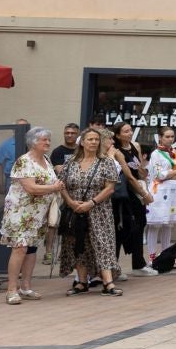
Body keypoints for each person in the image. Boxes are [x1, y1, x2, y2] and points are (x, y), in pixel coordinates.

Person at [0, 127, 64, 304]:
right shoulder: (24, 161)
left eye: (49, 140)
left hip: (38, 214)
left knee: (32, 249)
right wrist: (54, 188)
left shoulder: (47, 159)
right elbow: (31, 188)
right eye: (44, 140)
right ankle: (11, 289)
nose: (48, 143)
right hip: (21, 212)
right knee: (20, 248)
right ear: (33, 142)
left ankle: (26, 286)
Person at [59, 126, 122, 295]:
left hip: (99, 212)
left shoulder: (106, 162)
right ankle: (81, 281)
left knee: (103, 244)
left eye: (96, 139)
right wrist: (71, 202)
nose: (94, 142)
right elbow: (61, 185)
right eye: (90, 139)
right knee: (78, 244)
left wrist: (92, 203)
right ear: (82, 143)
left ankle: (108, 283)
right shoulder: (71, 162)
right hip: (75, 211)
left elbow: (110, 188)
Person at [142, 126, 176, 271]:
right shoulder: (156, 154)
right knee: (155, 223)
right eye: (167, 136)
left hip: (173, 191)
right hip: (159, 191)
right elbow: (159, 175)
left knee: (168, 223)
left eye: (172, 136)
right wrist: (175, 172)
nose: (170, 139)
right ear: (160, 137)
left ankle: (167, 256)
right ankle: (152, 256)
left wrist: (174, 173)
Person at [108, 122, 147, 274]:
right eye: (125, 131)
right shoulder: (116, 151)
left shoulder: (135, 146)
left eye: (130, 130)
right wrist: (144, 194)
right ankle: (114, 267)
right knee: (121, 228)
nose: (129, 133)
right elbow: (128, 176)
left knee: (140, 223)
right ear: (117, 135)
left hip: (138, 188)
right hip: (124, 192)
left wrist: (144, 182)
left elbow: (140, 170)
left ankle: (138, 263)